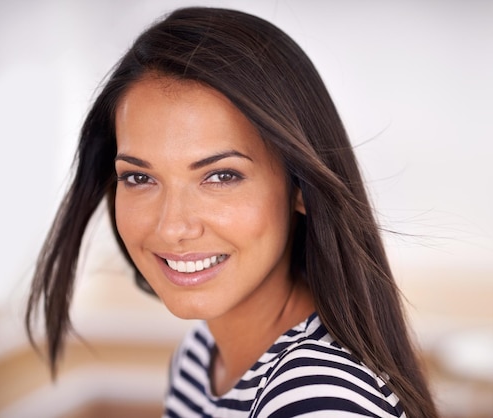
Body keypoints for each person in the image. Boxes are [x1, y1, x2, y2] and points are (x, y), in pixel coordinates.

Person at [26, 7, 438, 418]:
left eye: (221, 176)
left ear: (301, 188)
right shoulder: (201, 357)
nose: (172, 227)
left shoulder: (321, 402)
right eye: (139, 178)